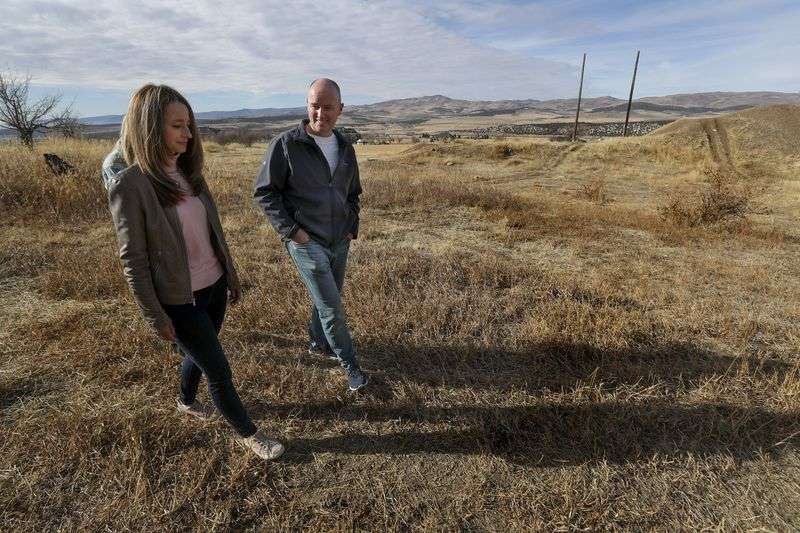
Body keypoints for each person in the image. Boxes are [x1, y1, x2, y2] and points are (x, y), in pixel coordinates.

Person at [107, 84, 284, 460]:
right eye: (178, 126)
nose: (188, 134)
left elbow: (213, 233)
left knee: (201, 354)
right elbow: (132, 260)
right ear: (151, 128)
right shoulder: (131, 185)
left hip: (213, 286)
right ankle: (250, 435)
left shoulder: (191, 175)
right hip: (178, 298)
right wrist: (154, 315)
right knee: (219, 368)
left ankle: (185, 401)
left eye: (189, 125)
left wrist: (230, 275)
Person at [254, 78, 368, 391]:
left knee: (327, 298)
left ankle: (318, 343)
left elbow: (353, 194)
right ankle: (352, 369)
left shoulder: (345, 148)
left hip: (339, 240)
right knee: (332, 306)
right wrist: (294, 233)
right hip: (307, 242)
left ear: (340, 109)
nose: (320, 113)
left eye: (328, 107)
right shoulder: (286, 144)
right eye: (314, 105)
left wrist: (351, 227)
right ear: (307, 106)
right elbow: (264, 193)